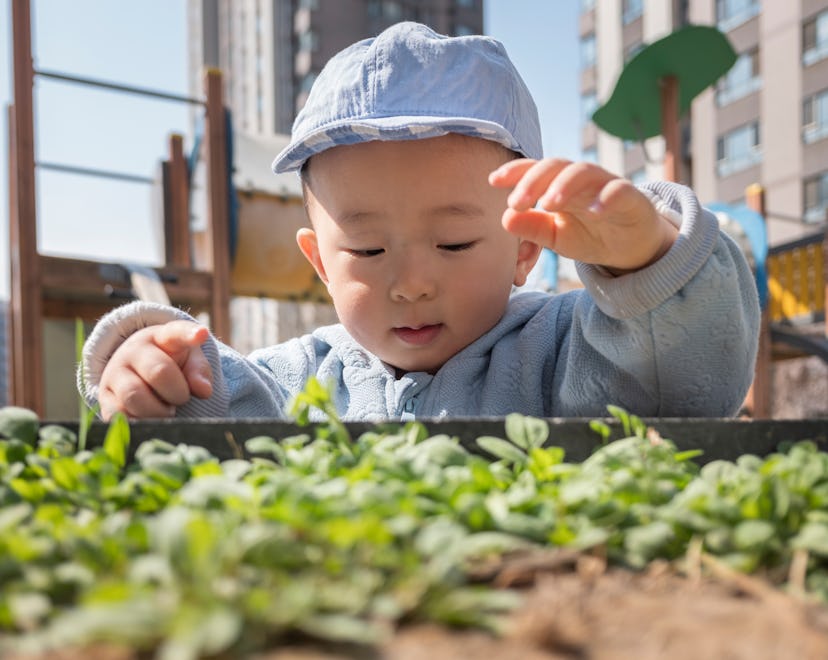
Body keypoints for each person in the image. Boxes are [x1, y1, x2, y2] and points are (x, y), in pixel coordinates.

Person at [79, 22, 760, 423]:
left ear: (525, 248)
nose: (409, 283)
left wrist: (648, 268)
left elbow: (682, 381)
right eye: (368, 249)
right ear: (320, 261)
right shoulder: (297, 380)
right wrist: (159, 371)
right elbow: (220, 408)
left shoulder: (567, 350)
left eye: (455, 241)